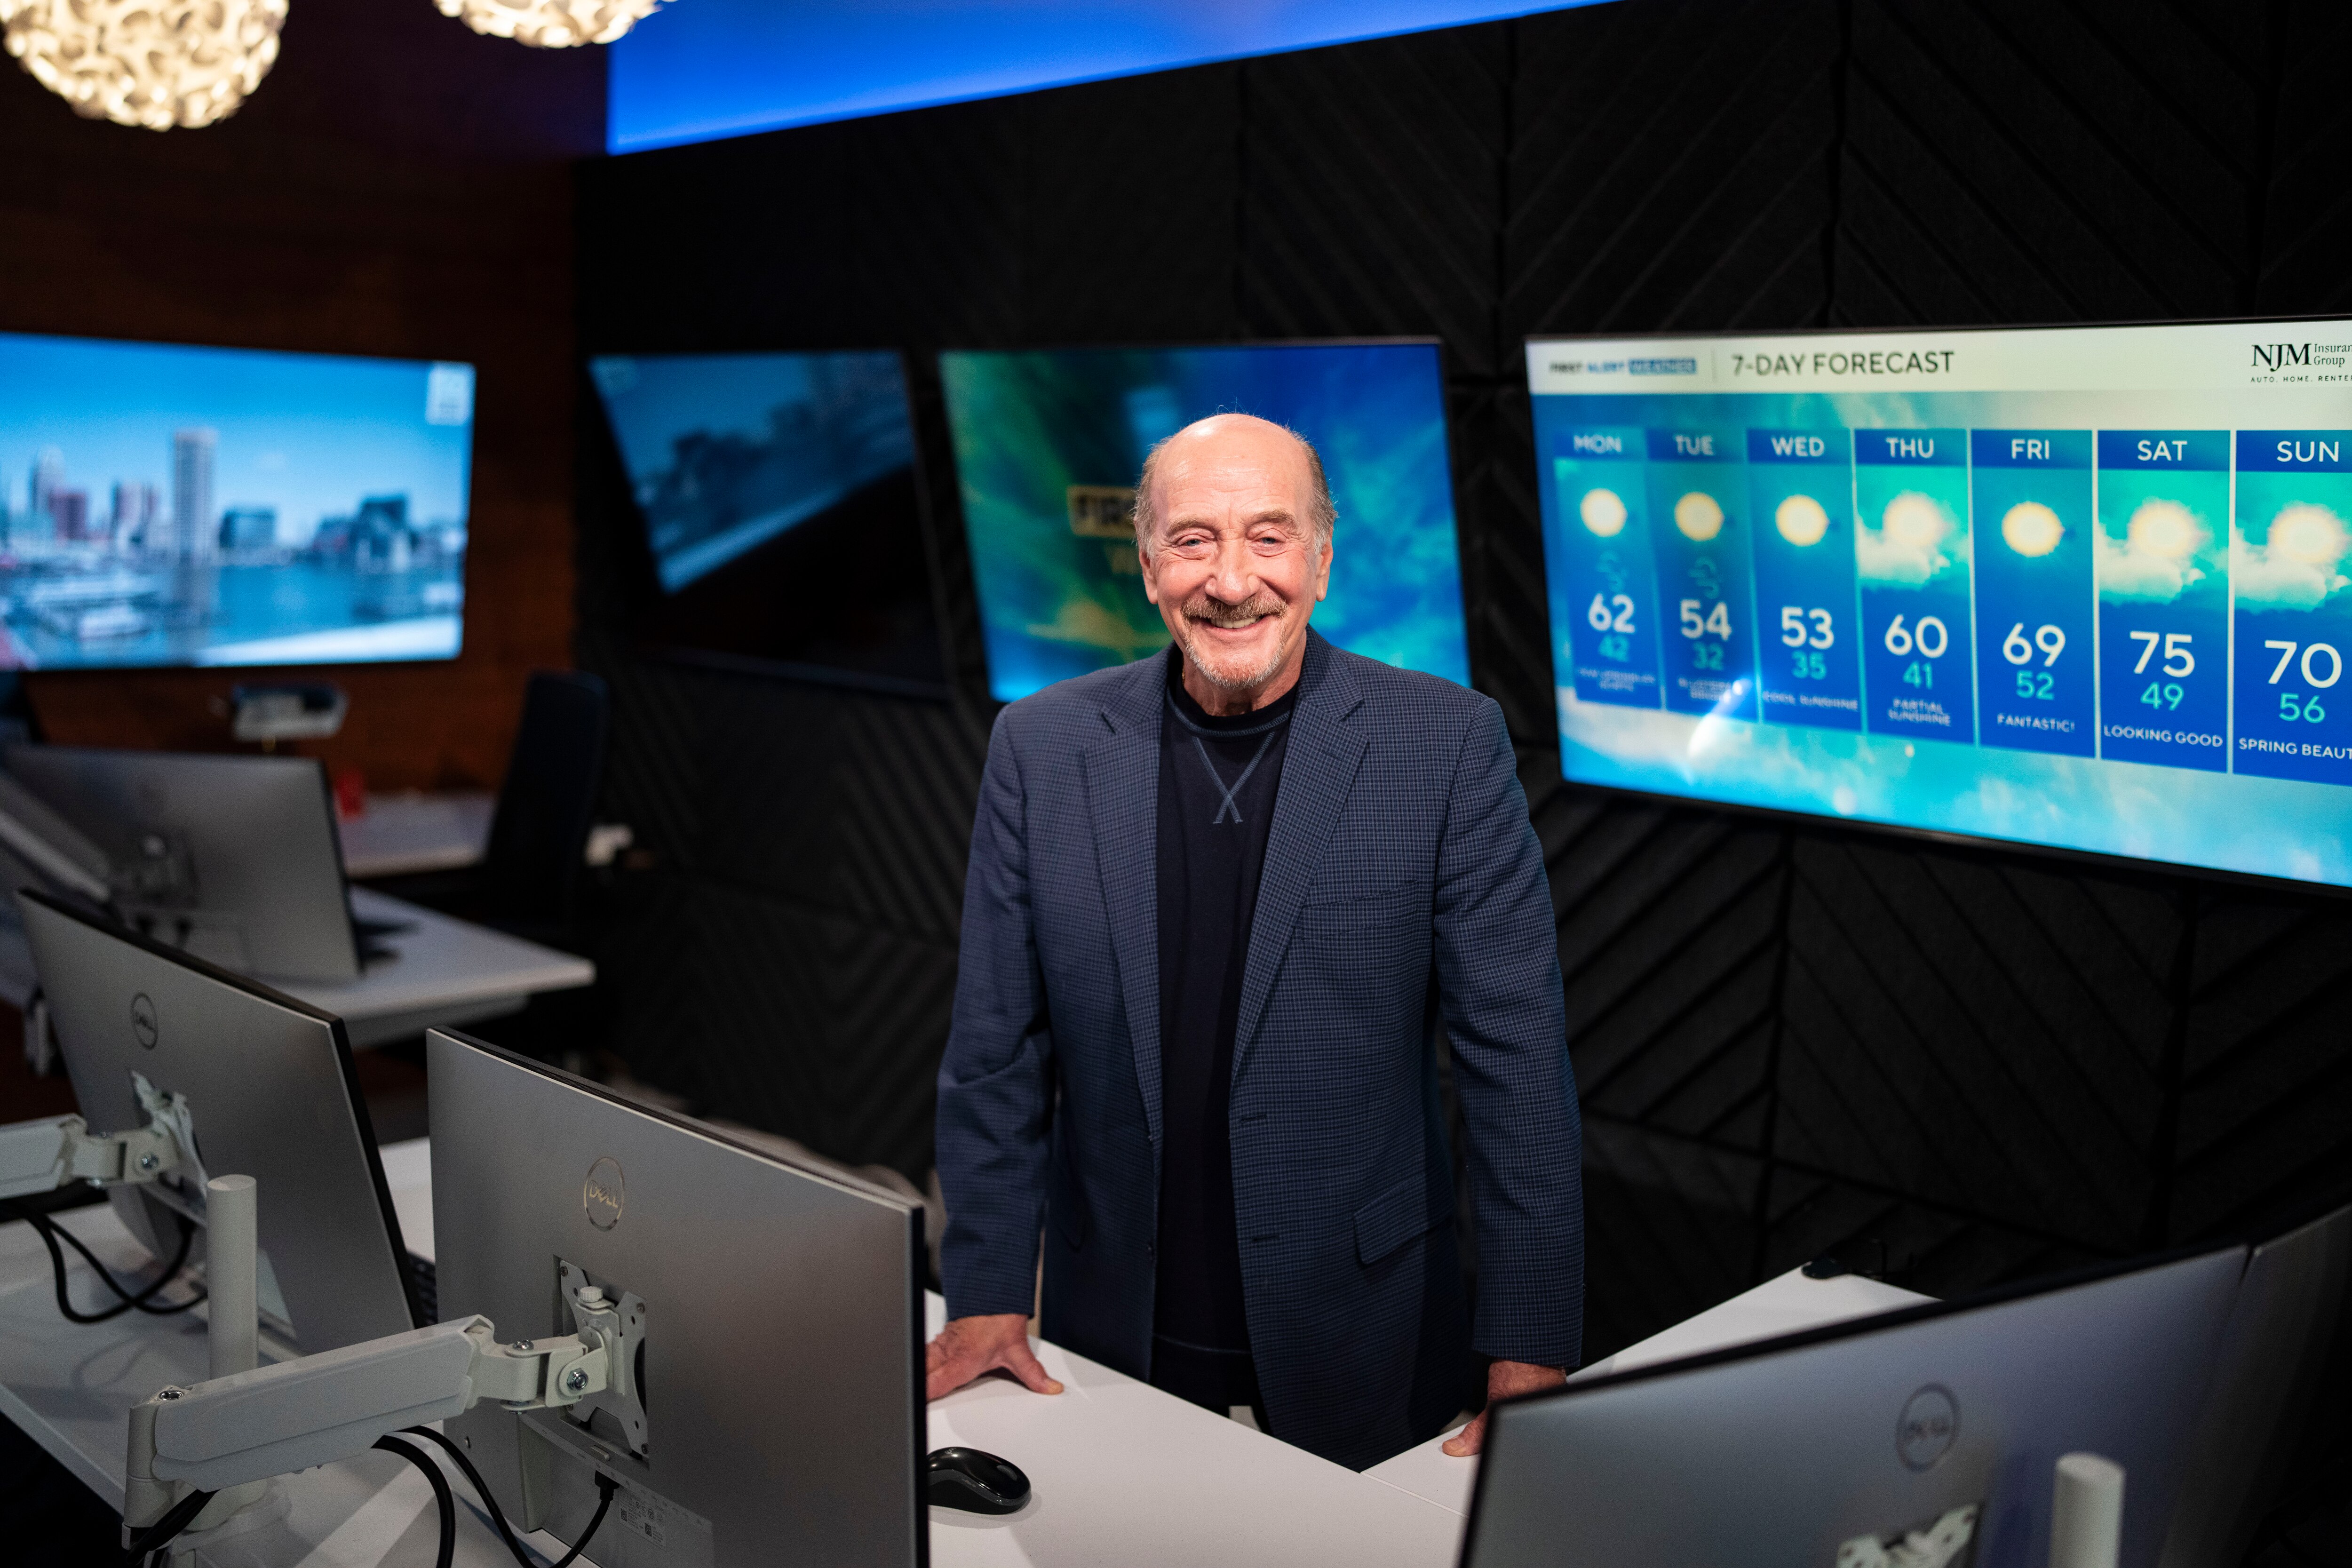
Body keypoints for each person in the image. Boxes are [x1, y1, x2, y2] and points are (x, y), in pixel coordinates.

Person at [928, 413, 1582, 1470]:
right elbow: (995, 1054)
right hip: (1113, 1334)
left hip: (1363, 1334)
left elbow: (1515, 1071)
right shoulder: (1040, 746)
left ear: (1322, 559)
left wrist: (1529, 1354)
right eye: (1193, 540)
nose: (1232, 580)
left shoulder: (1446, 745)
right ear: (1147, 569)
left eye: (1268, 536)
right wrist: (990, 1292)